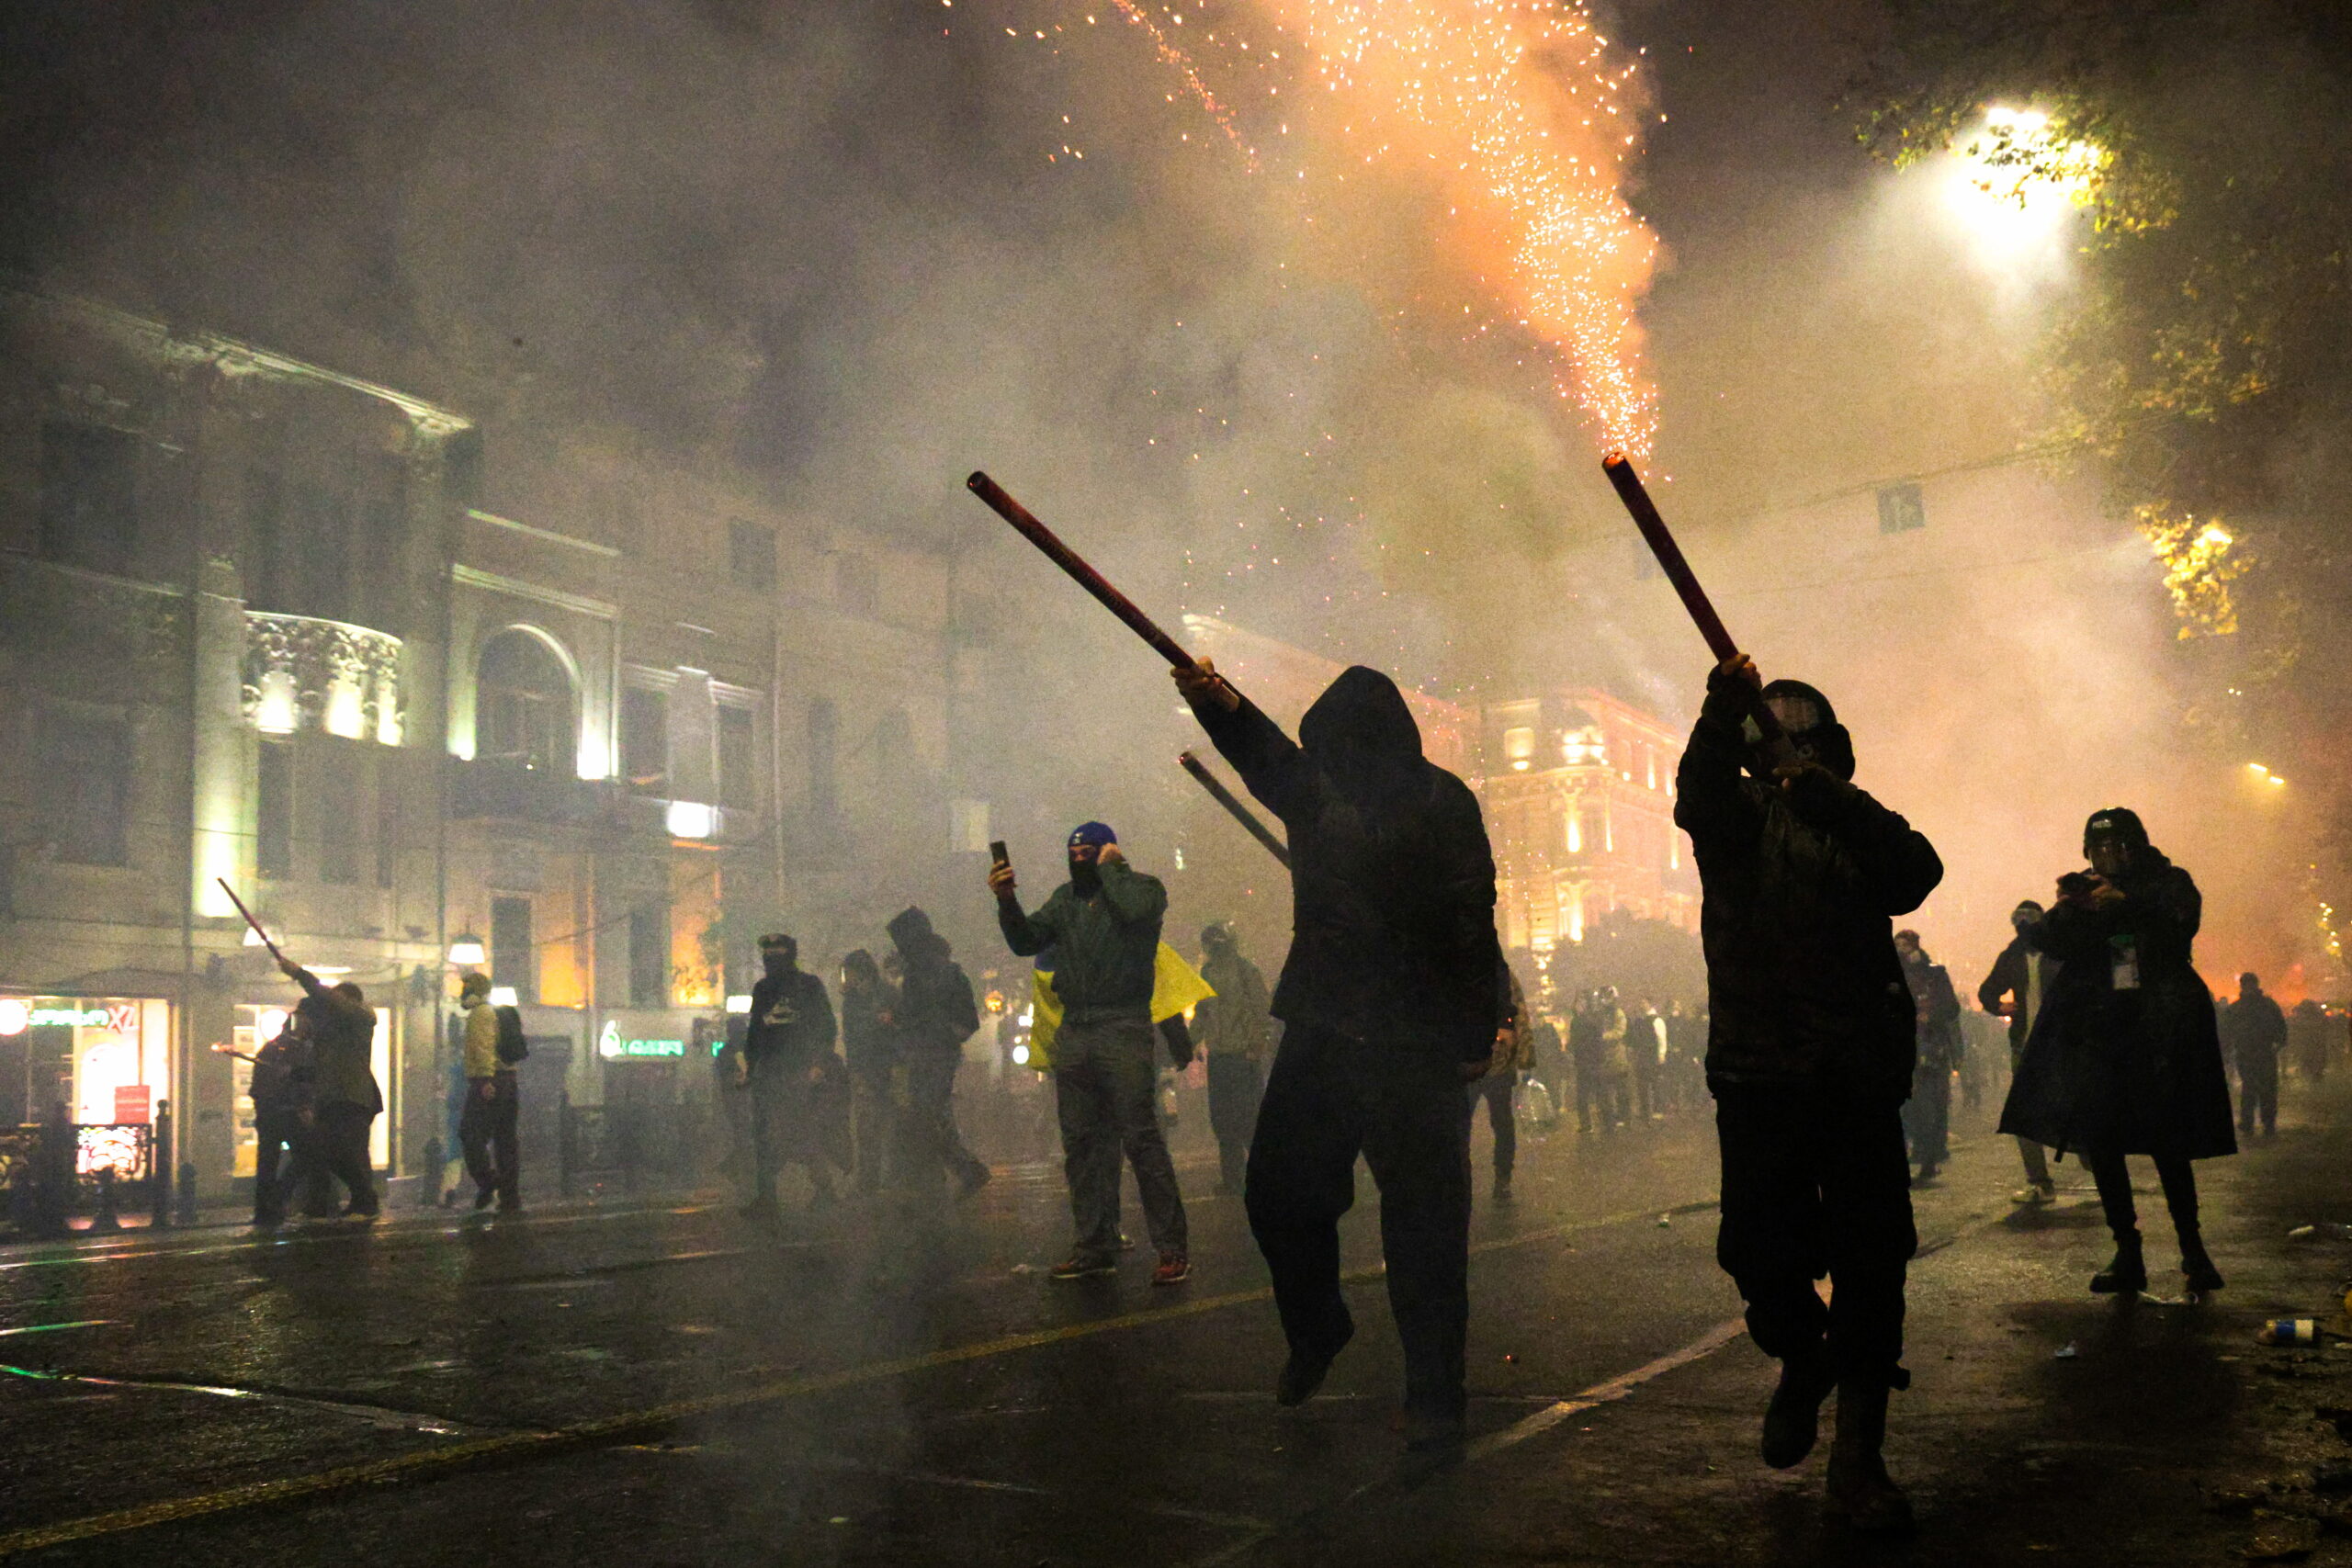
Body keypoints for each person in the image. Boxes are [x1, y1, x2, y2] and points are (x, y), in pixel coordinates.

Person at [1177, 658, 1509, 1454]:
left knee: (1426, 1231)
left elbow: (1471, 916)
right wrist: (1217, 700)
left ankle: (1435, 1396)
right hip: (1329, 1025)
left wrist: (1472, 1029)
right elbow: (1262, 752)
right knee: (1279, 1194)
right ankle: (1319, 1327)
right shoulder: (1318, 791)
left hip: (1414, 1037)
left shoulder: (1438, 800)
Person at [1676, 655, 1942, 1533]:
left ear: (1827, 751)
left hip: (1853, 1074)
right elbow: (1696, 792)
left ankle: (1859, 1460)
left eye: (1797, 737)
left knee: (1872, 1263)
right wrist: (1720, 711)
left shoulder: (1855, 825)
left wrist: (1826, 794)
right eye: (1767, 734)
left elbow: (1916, 871)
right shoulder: (1732, 823)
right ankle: (1804, 1353)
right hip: (1756, 1071)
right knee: (1760, 1255)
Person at [2000, 808, 2234, 1298]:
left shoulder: (2168, 882)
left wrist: (2125, 905)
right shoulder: (2088, 893)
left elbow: (2179, 925)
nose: (2108, 858)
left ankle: (2193, 1250)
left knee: (2169, 1144)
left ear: (2137, 847)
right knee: (2104, 1144)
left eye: (2118, 848)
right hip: (2102, 1037)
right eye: (2099, 850)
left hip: (2158, 1034)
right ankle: (2127, 1250)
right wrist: (2070, 907)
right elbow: (2048, 941)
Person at [993, 824, 1190, 1285]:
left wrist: (1115, 870)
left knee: (1141, 1139)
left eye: (1088, 851)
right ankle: (1094, 1244)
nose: (1078, 857)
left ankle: (1172, 1249)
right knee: (1082, 1145)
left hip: (1122, 1026)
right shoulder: (1064, 901)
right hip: (1076, 1030)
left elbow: (1134, 910)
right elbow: (1025, 941)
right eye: (1073, 851)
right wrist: (1006, 900)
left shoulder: (1142, 888)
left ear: (1108, 851)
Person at [888, 907, 992, 1201]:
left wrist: (940, 1037)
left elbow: (966, 1021)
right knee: (928, 1115)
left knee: (928, 1114)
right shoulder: (917, 973)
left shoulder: (941, 974)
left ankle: (952, 1173)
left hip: (934, 1055)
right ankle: (948, 1173)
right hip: (921, 1054)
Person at [740, 932, 840, 1218]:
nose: (771, 958)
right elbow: (756, 1032)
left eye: (777, 953)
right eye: (767, 953)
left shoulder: (809, 986)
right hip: (770, 1073)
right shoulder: (762, 989)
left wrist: (819, 1064)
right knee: (764, 1136)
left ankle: (825, 1190)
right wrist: (749, 1065)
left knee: (802, 1133)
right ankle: (767, 1199)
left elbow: (826, 1028)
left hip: (800, 1073)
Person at [277, 956, 382, 1218]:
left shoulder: (360, 1018)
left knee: (342, 1152)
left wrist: (300, 974)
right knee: (326, 1151)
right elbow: (316, 1064)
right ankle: (360, 1200)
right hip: (333, 1097)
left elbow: (329, 1001)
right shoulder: (334, 1032)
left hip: (350, 1097)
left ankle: (364, 1200)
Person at [1979, 900, 2060, 1203]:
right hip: (2025, 1045)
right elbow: (1988, 990)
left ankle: (2091, 1160)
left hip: (2061, 1043)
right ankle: (2039, 1181)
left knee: (2073, 1107)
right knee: (2024, 1114)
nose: (2023, 924)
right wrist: (1997, 1006)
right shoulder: (2011, 956)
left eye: (2029, 918)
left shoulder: (2060, 952)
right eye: (2019, 918)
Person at [1194, 922, 1276, 1195]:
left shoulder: (1246, 971)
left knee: (1248, 1120)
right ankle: (1233, 1180)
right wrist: (1191, 1042)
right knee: (1224, 1121)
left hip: (1243, 1056)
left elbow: (1261, 1012)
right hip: (1220, 1057)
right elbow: (1202, 1012)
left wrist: (1257, 1046)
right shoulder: (1207, 972)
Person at [1894, 931, 1962, 1186]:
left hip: (1931, 1049)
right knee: (1908, 1107)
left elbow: (1950, 1008)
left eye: (1905, 945)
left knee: (1930, 1105)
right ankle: (1921, 1154)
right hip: (1902, 1048)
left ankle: (1929, 1156)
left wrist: (1930, 1017)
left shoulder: (1934, 974)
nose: (1901, 949)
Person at [455, 971, 523, 1213]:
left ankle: (489, 1181)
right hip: (509, 1081)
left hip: (488, 1081)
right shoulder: (499, 1012)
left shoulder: (480, 1014)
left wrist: (484, 1080)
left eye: (464, 988)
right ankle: (510, 1196)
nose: (461, 993)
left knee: (470, 1134)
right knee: (505, 1140)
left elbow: (483, 1048)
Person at [1465, 975, 1531, 1201]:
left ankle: (1502, 1178)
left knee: (1499, 1124)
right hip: (1481, 1063)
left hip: (1486, 1063)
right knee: (1500, 1124)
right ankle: (1501, 1180)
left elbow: (1520, 1016)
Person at [839, 949, 899, 1193]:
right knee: (867, 1126)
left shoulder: (885, 994)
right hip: (866, 1068)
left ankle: (888, 1176)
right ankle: (870, 1177)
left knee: (887, 1124)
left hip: (884, 1066)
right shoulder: (853, 999)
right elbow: (852, 1036)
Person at [247, 1010, 313, 1227]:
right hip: (286, 1112)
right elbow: (302, 1081)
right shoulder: (296, 1049)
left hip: (269, 1113)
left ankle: (266, 1208)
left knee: (267, 1162)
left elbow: (258, 1088)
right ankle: (277, 1197)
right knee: (305, 1155)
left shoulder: (271, 1048)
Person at [2224, 972, 2286, 1139]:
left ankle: (2264, 1123)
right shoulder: (2264, 1005)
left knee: (2262, 1089)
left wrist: (2278, 1043)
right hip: (2250, 1054)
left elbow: (2280, 1027)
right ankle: (2252, 1122)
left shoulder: (2238, 1008)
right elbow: (2227, 1032)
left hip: (2260, 1052)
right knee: (2252, 1088)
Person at [1566, 990, 1606, 1134]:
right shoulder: (1579, 1021)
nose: (1578, 1006)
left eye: (1581, 1004)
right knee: (1586, 1095)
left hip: (1590, 1062)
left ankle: (1598, 1123)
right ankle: (1589, 1124)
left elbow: (1595, 1041)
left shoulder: (1587, 1021)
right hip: (1585, 1062)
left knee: (1594, 1094)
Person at [1593, 987, 1633, 1131]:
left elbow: (1619, 1032)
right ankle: (1609, 1119)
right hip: (1603, 1057)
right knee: (1605, 1091)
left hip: (1616, 1056)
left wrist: (1603, 1036)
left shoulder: (1618, 1013)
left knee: (1621, 1090)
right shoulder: (1600, 1014)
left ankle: (1624, 1117)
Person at [2290, 997, 2332, 1085]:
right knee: (2315, 1062)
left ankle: (2313, 1077)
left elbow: (2295, 1029)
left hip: (2309, 1044)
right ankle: (2315, 1077)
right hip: (2315, 1043)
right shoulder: (2319, 1016)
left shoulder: (2301, 1018)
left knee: (2309, 1061)